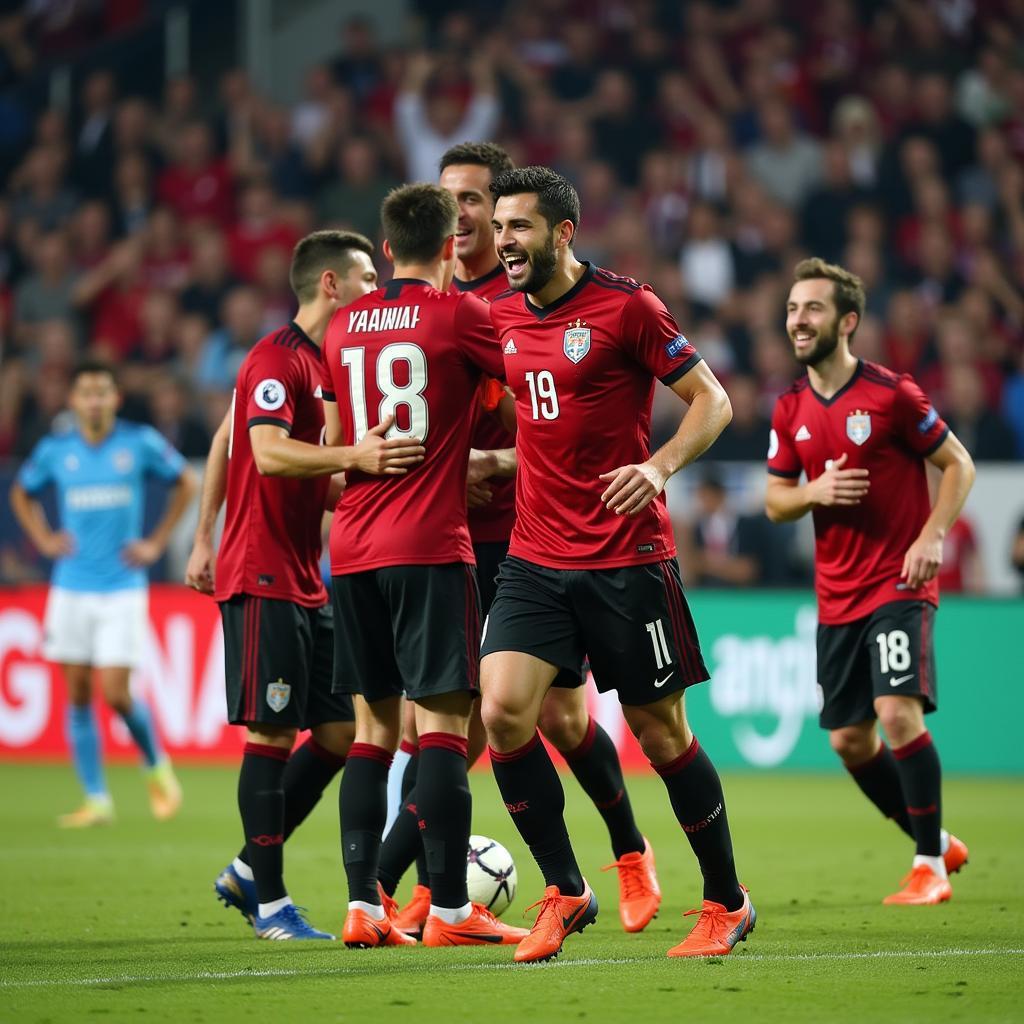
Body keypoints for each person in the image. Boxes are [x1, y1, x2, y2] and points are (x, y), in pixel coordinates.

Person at [381, 141, 662, 940]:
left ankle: (626, 853)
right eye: (455, 201)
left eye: (478, 201)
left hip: (524, 536)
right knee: (443, 723)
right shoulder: (428, 303)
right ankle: (427, 890)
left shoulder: (518, 297)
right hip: (440, 537)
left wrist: (500, 453)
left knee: (553, 722)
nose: (466, 216)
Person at [481, 166, 753, 964]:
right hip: (535, 556)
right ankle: (566, 890)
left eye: (519, 228)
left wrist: (661, 468)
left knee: (660, 734)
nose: (506, 242)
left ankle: (727, 901)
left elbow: (714, 401)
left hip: (626, 558)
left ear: (562, 233)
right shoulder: (496, 311)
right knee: (502, 711)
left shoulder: (626, 307)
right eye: (500, 228)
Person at [183, 230, 424, 942]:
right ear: (329, 284)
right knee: (271, 729)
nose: (376, 288)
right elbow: (256, 445)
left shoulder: (331, 367)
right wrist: (207, 538)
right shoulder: (275, 358)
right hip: (261, 571)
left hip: (305, 576)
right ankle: (269, 902)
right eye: (364, 277)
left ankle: (246, 865)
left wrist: (358, 470)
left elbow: (238, 442)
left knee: (342, 729)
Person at [322, 183, 528, 949]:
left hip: (351, 548)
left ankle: (361, 906)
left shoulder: (342, 326)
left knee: (373, 730)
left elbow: (342, 445)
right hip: (431, 544)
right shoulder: (461, 315)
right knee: (443, 725)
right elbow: (521, 394)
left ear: (385, 248)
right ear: (450, 247)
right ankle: (448, 909)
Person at [765, 257, 976, 905]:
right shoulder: (790, 407)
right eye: (794, 308)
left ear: (847, 321)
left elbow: (957, 465)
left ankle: (927, 867)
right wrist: (815, 492)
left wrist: (931, 536)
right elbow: (776, 501)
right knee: (850, 740)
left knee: (896, 713)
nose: (799, 320)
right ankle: (935, 839)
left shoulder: (892, 394)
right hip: (837, 596)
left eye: (814, 309)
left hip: (897, 582)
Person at [10, 361, 195, 827]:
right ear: (73, 401)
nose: (94, 401)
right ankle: (96, 798)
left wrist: (155, 541)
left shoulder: (139, 443)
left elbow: (187, 483)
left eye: (102, 392)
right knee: (75, 693)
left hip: (121, 588)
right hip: (70, 586)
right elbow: (21, 493)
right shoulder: (57, 450)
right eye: (86, 393)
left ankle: (157, 767)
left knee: (114, 692)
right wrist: (45, 538)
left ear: (114, 398)